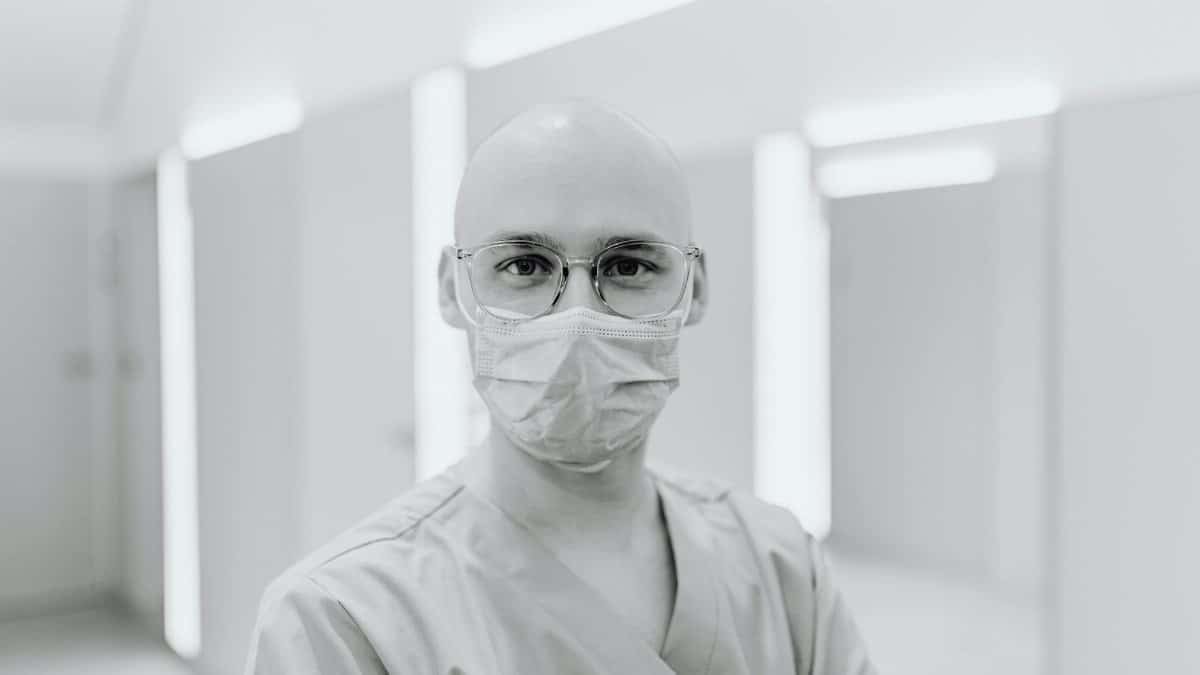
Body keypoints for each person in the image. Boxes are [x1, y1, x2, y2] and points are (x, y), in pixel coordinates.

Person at [245, 101, 875, 674]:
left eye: (629, 266)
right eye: (524, 266)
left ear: (695, 289)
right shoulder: (345, 619)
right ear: (451, 289)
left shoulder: (781, 567)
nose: (577, 318)